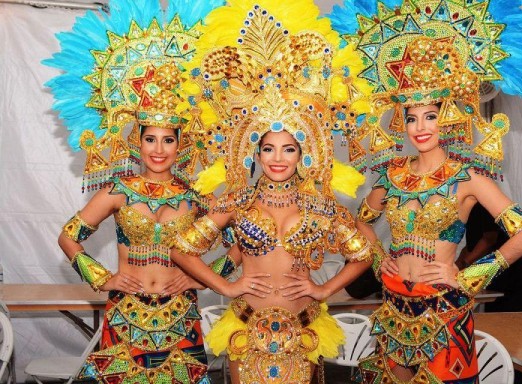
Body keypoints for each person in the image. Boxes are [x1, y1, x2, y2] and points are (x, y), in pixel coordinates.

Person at [328, 0, 522, 382]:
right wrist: (378, 259)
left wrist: (466, 276)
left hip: (444, 309)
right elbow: (359, 223)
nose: (419, 127)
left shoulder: (469, 179)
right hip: (393, 305)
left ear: (448, 117)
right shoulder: (390, 175)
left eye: (430, 115)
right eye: (411, 117)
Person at [165, 1, 376, 382]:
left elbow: (363, 254)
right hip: (246, 331)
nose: (277, 158)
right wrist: (228, 285)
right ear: (254, 151)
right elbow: (182, 249)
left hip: (305, 331)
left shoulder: (320, 205)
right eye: (268, 148)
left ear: (303, 152)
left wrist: (325, 288)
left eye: (288, 148)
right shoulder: (236, 201)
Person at [45, 0, 226, 381]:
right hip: (126, 316)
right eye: (150, 139)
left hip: (182, 318)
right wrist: (101, 277)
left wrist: (199, 278)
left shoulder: (197, 196)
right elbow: (68, 237)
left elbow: (245, 247)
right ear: (137, 143)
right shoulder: (118, 191)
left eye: (167, 140)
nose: (158, 150)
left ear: (181, 145)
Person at [458, 203, 522, 384]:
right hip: (499, 281)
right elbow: (471, 246)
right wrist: (457, 267)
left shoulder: (482, 202)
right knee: (498, 336)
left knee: (520, 341)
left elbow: (489, 239)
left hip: (520, 280)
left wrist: (465, 268)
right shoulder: (464, 209)